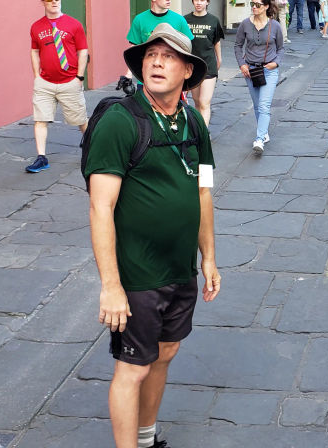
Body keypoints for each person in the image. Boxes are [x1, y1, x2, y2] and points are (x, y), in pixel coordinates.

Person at [84, 23, 220, 448]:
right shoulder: (121, 122)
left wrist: (209, 258)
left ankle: (146, 438)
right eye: (151, 55)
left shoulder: (194, 121)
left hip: (180, 270)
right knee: (133, 367)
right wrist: (111, 286)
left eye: (169, 57)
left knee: (165, 354)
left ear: (187, 73)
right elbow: (100, 207)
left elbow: (204, 190)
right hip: (138, 274)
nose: (157, 62)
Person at [27, 0, 88, 173]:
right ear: (42, 2)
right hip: (45, 83)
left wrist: (80, 77)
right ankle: (41, 158)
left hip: (70, 81)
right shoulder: (36, 27)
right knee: (40, 119)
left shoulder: (74, 24)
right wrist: (37, 76)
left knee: (81, 120)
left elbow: (82, 50)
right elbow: (34, 51)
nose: (54, 1)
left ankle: (93, 148)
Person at [235, 0, 285, 153]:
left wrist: (275, 63)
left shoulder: (274, 26)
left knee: (263, 105)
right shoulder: (245, 24)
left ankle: (259, 139)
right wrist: (242, 64)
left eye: (257, 4)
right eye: (252, 4)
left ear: (266, 6)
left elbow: (281, 48)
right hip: (250, 70)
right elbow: (237, 45)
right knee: (257, 105)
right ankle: (264, 133)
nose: (254, 7)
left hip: (269, 70)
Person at [123, 0, 194, 87]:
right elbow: (134, 48)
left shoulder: (179, 20)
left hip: (171, 78)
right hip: (146, 78)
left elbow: (187, 49)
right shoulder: (139, 19)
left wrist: (187, 78)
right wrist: (128, 74)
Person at [185, 0, 225, 126]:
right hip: (192, 66)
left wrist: (219, 59)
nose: (198, 3)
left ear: (207, 2)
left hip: (208, 65)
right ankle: (199, 129)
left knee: (204, 102)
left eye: (202, 0)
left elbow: (216, 41)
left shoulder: (213, 20)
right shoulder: (185, 20)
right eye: (196, 0)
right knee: (197, 102)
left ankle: (204, 134)